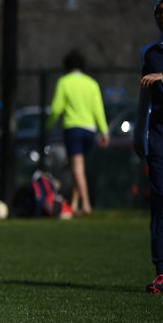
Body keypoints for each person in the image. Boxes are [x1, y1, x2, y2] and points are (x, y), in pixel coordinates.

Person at [47, 49, 109, 215]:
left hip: (73, 128)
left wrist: (49, 124)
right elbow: (98, 109)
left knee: (77, 167)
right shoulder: (92, 83)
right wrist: (104, 131)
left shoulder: (64, 82)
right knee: (78, 167)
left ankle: (86, 204)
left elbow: (57, 108)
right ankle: (74, 204)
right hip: (90, 130)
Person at [136, 0, 163, 294]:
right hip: (159, 136)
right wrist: (137, 134)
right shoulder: (149, 53)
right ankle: (161, 271)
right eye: (160, 11)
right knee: (159, 200)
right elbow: (144, 101)